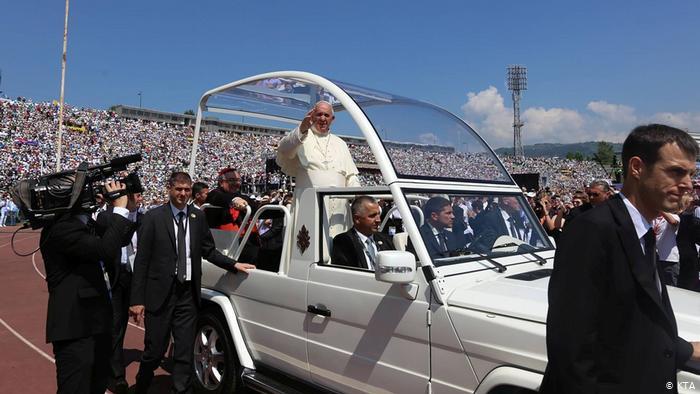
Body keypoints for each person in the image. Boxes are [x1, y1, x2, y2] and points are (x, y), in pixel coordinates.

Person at [541, 124, 700, 394]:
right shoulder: (592, 230)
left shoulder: (644, 231)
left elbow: (631, 322)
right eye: (676, 172)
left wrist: (684, 349)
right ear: (636, 167)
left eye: (691, 174)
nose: (688, 184)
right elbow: (572, 347)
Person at [129, 172, 255, 394]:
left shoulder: (198, 217)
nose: (183, 194)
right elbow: (142, 261)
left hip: (187, 294)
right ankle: (142, 386)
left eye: (187, 190)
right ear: (169, 188)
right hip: (160, 295)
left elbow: (208, 250)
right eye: (179, 189)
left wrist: (233, 264)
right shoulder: (153, 218)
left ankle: (181, 390)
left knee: (185, 351)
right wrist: (137, 299)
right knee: (155, 351)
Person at [40, 181, 135, 394]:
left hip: (97, 322)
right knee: (75, 388)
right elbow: (105, 249)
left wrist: (124, 208)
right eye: (87, 192)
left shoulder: (87, 223)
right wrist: (119, 209)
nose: (94, 195)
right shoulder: (61, 229)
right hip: (74, 327)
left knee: (96, 386)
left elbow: (122, 236)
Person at [276, 101, 360, 235]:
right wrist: (302, 128)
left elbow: (351, 176)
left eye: (326, 115)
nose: (322, 118)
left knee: (339, 249)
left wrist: (358, 199)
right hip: (309, 204)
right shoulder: (300, 136)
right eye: (319, 114)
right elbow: (284, 150)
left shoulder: (341, 144)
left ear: (332, 119)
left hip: (338, 208)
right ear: (312, 115)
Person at [102, 192, 143, 394]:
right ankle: (116, 376)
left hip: (137, 277)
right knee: (115, 326)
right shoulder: (108, 217)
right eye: (133, 195)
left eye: (139, 195)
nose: (138, 198)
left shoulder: (145, 218)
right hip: (115, 277)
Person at [332, 196, 395, 269]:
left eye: (378, 214)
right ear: (357, 219)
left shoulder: (386, 239)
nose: (378, 220)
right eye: (372, 216)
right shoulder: (344, 242)